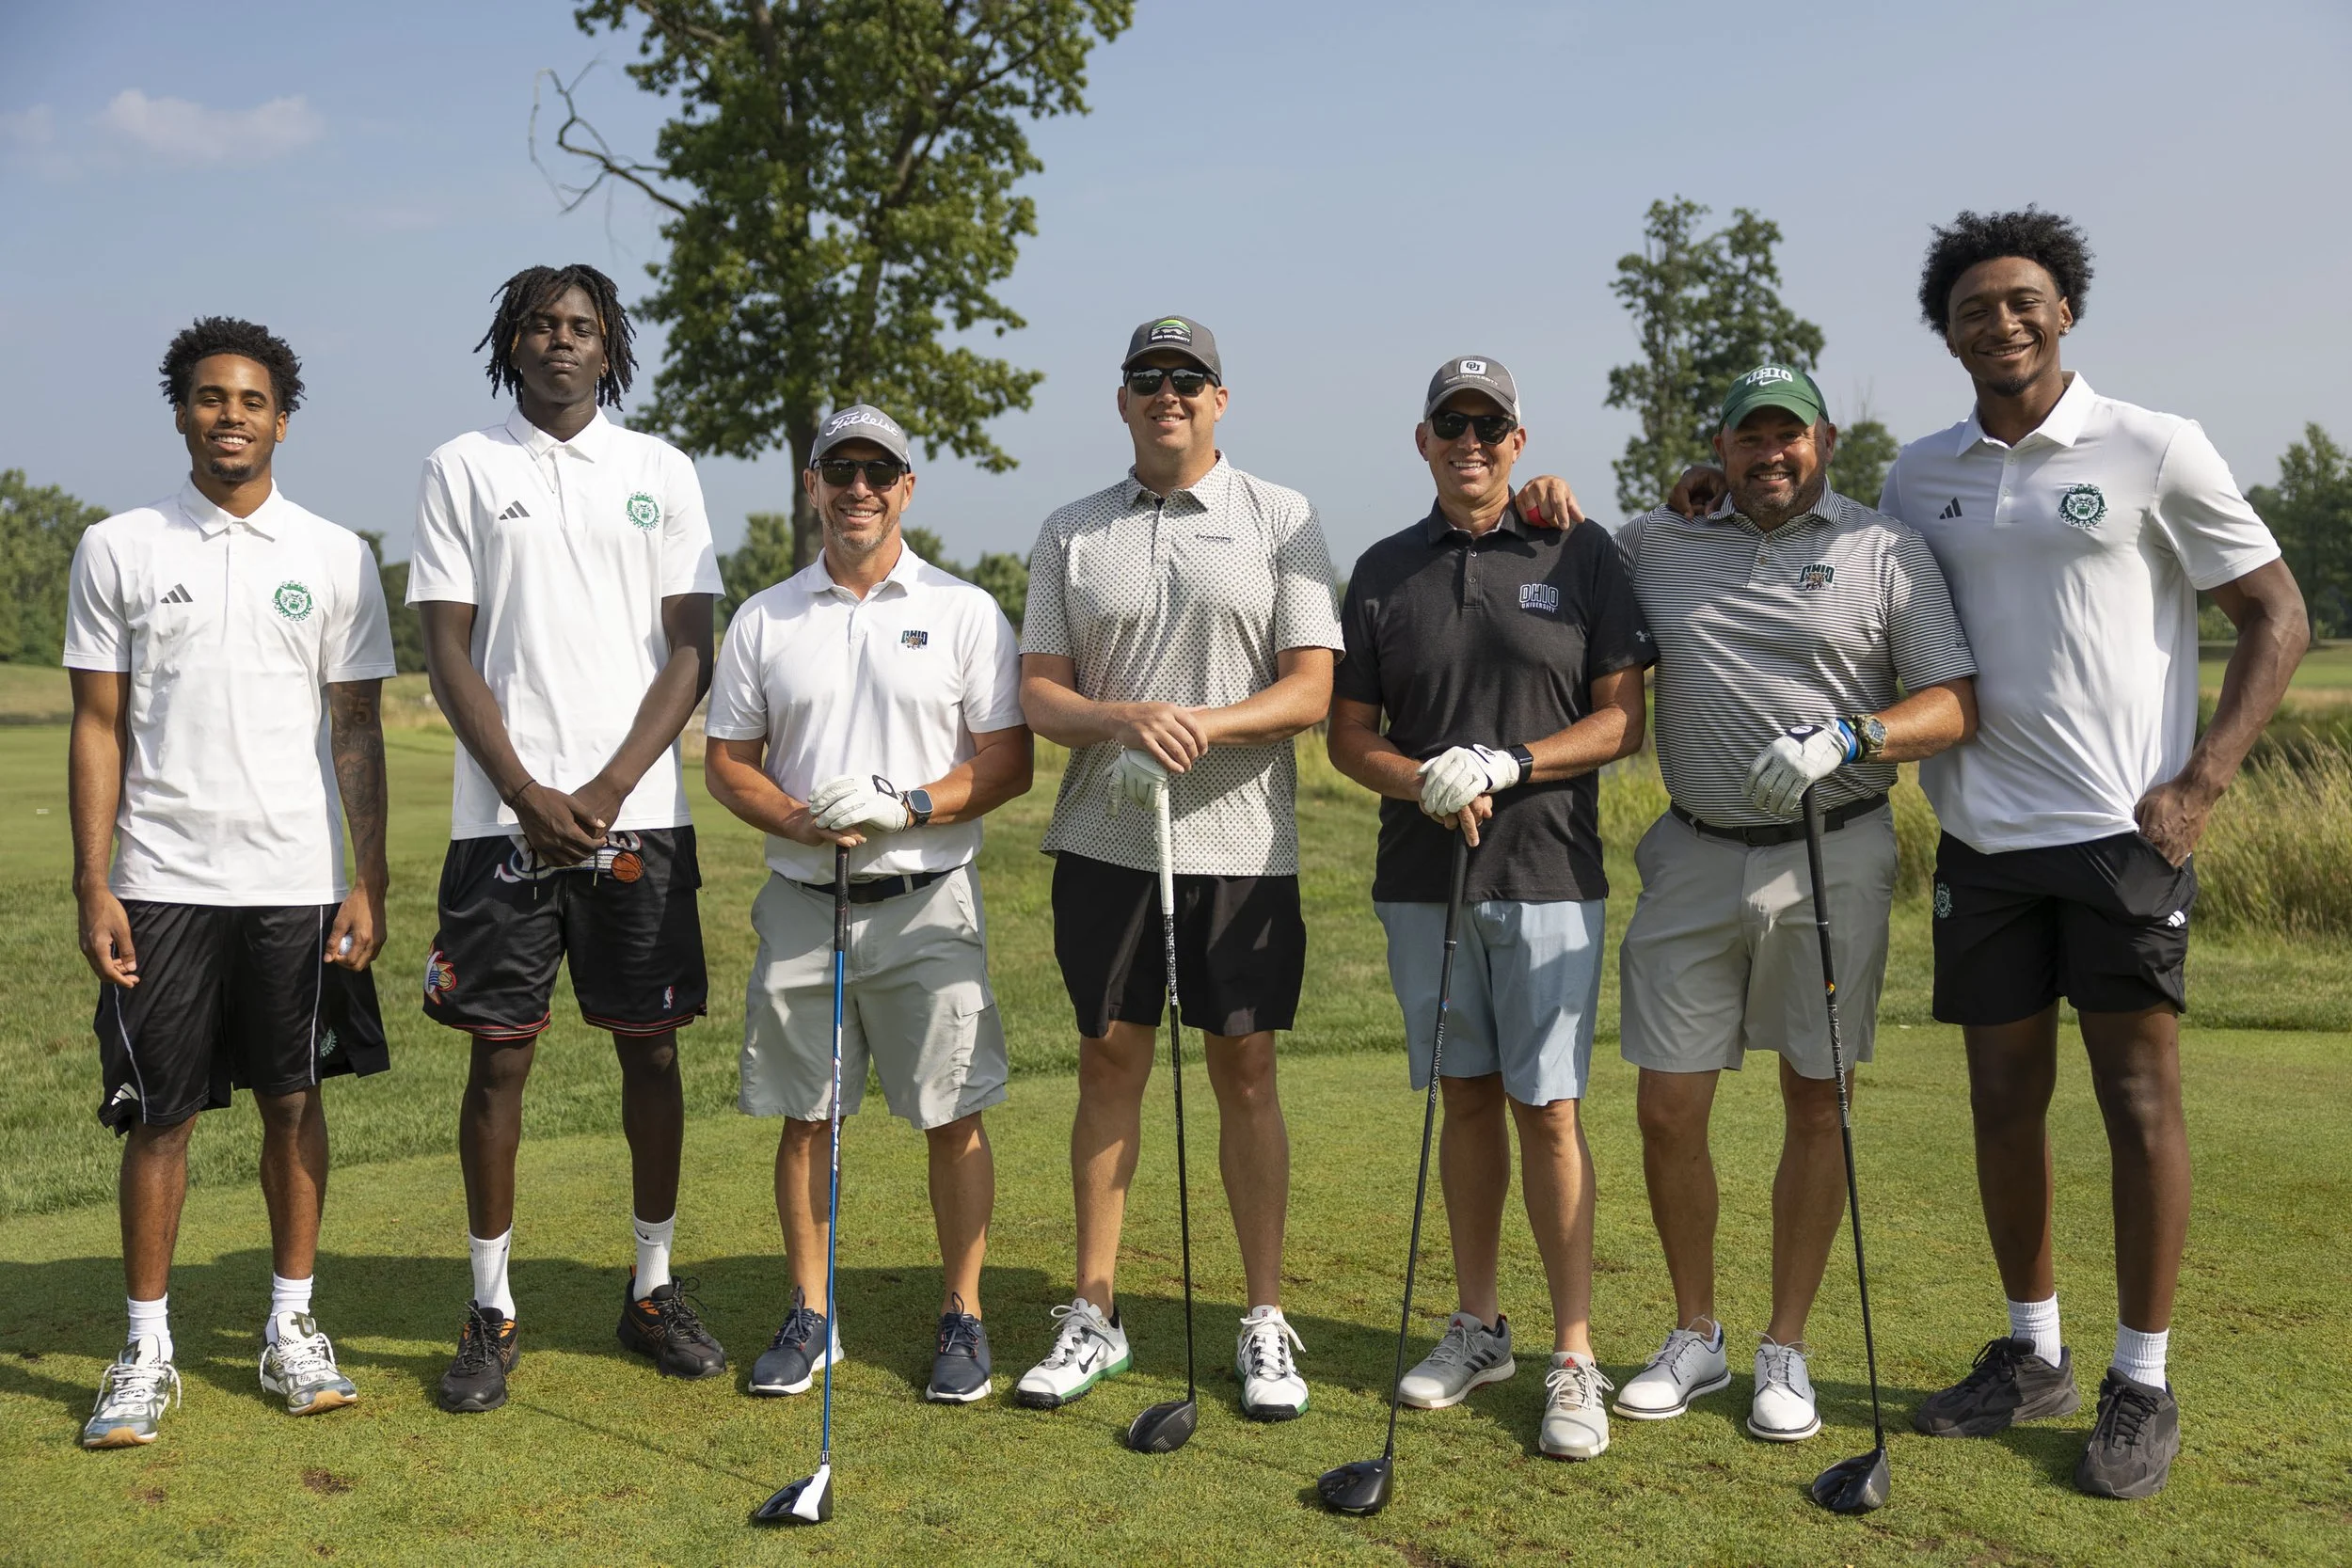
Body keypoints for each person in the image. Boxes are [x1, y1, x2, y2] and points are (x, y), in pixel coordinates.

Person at [1664, 211, 2307, 1498]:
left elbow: (2275, 612)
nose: (1999, 321)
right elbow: (1841, 543)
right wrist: (1710, 490)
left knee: (2136, 1102)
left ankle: (2140, 1373)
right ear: (1947, 333)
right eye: (1972, 309)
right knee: (2004, 1104)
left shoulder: (2154, 446)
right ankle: (2034, 1352)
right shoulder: (1921, 471)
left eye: (2022, 300)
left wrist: (2205, 779)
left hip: (2124, 832)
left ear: (2065, 310)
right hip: (1980, 837)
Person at [1606, 365, 1976, 1447]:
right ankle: (1694, 1334)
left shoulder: (1884, 547)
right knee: (1667, 1106)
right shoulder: (1653, 541)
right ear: (1715, 448)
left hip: (1834, 847)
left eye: (1787, 434)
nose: (1768, 454)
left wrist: (1852, 736)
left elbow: (1952, 700)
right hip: (1692, 850)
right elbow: (1565, 557)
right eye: (1745, 437)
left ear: (1823, 439)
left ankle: (1785, 1345)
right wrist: (1547, 497)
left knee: (1817, 1099)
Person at [67, 318, 395, 1447]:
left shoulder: (336, 553)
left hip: (297, 879)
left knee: (294, 1099)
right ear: (181, 412)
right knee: (158, 1118)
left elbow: (356, 725)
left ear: (282, 417)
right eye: (211, 398)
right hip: (160, 876)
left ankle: (291, 1327)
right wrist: (92, 881)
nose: (231, 416)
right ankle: (146, 1346)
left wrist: (370, 877)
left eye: (251, 400)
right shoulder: (118, 546)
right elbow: (97, 725)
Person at [408, 263, 726, 1413]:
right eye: (540, 325)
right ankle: (490, 1306)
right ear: (512, 340)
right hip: (501, 818)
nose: (560, 341)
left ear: (609, 348)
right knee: (500, 1055)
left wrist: (603, 782)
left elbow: (691, 644)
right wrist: (529, 789)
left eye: (581, 327)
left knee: (650, 1046)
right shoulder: (463, 466)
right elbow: (448, 648)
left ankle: (650, 1289)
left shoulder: (660, 471)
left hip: (636, 814)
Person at [1012, 315, 1343, 1419]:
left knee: (1244, 1067)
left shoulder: (1280, 516)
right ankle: (1095, 1311)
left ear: (1219, 399)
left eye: (1188, 379)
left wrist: (1198, 723)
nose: (1169, 394)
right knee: (1108, 1061)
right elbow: (1041, 695)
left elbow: (1309, 690)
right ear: (1122, 402)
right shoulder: (1070, 530)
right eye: (1148, 379)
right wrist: (1121, 718)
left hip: (1242, 844)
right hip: (1106, 839)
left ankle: (1261, 1316)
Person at [1328, 356, 1652, 1460]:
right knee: (1463, 1097)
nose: (1471, 440)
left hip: (1550, 871)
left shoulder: (1580, 549)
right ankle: (1479, 1324)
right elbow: (1347, 734)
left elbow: (1620, 722)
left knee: (1548, 1108)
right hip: (1425, 878)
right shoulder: (1380, 572)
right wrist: (1416, 774)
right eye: (1450, 423)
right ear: (1422, 440)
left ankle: (1572, 1353)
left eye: (1490, 424)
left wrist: (1509, 762)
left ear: (1518, 441)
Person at [702, 404, 1031, 1406]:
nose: (858, 488)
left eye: (877, 472)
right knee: (807, 1115)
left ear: (906, 488)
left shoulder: (965, 609)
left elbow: (1007, 758)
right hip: (805, 899)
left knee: (953, 1113)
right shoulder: (765, 616)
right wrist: (799, 818)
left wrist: (913, 801)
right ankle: (811, 1314)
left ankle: (962, 1313)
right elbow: (726, 762)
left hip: (929, 899)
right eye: (839, 469)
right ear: (812, 485)